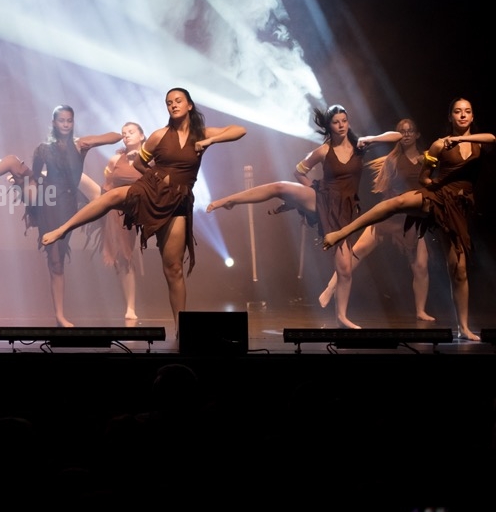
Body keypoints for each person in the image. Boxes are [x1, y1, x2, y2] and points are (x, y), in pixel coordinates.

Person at [41, 88, 246, 327]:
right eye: (169, 102)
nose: (173, 105)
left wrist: (210, 140)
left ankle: (181, 329)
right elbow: (140, 163)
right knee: (111, 197)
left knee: (173, 269)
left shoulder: (201, 134)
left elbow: (239, 130)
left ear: (189, 105)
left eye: (178, 101)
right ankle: (63, 229)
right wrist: (156, 177)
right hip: (150, 189)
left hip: (178, 202)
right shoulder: (159, 136)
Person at [206, 105, 400, 329]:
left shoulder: (360, 145)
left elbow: (396, 136)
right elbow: (299, 171)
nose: (341, 125)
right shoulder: (324, 151)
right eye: (336, 122)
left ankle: (341, 317)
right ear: (329, 126)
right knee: (279, 187)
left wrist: (371, 138)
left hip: (344, 210)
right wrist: (313, 191)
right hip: (322, 198)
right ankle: (229, 200)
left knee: (345, 269)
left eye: (344, 121)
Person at [323, 98, 492, 341]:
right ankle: (341, 233)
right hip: (438, 197)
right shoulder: (438, 146)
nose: (463, 115)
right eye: (458, 111)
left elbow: (492, 138)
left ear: (473, 116)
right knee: (396, 203)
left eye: (467, 111)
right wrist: (430, 181)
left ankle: (463, 328)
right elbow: (424, 178)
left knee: (459, 271)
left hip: (459, 208)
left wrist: (460, 140)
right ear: (451, 117)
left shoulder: (478, 143)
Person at [0, 105, 120, 327]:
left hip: (65, 206)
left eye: (69, 121)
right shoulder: (43, 149)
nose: (66, 124)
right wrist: (21, 183)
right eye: (61, 120)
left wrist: (92, 141)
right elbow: (36, 178)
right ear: (54, 123)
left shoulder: (79, 145)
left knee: (56, 262)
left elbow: (115, 136)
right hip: (44, 197)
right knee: (12, 161)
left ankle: (59, 315)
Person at [315, 118, 434, 321]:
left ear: (417, 134)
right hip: (392, 213)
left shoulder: (426, 159)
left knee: (421, 265)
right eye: (402, 131)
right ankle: (329, 288)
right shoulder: (392, 160)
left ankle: (420, 310)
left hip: (413, 217)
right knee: (358, 250)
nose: (405, 134)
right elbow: (385, 187)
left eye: (410, 131)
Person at [101, 122, 147, 321]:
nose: (126, 135)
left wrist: (140, 161)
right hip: (115, 207)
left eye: (131, 132)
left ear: (142, 136)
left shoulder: (151, 158)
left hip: (138, 208)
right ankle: (130, 306)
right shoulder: (115, 159)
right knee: (123, 257)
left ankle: (131, 305)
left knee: (126, 256)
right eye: (123, 133)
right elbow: (107, 186)